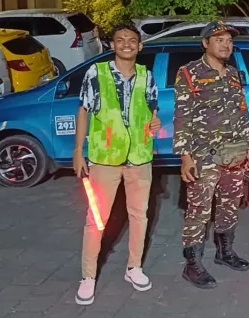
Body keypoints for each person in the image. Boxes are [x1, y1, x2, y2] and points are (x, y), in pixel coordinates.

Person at [72, 24, 161, 305]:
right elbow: (84, 110)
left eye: (132, 40)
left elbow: (151, 109)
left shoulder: (147, 75)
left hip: (139, 158)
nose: (126, 44)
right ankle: (88, 276)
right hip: (105, 158)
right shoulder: (95, 74)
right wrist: (78, 151)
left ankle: (134, 268)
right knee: (96, 219)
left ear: (140, 46)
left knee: (140, 216)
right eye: (120, 40)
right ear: (112, 45)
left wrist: (155, 122)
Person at [173, 21, 249, 289]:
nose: (226, 44)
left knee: (230, 206)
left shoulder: (234, 74)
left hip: (234, 155)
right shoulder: (189, 73)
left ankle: (225, 252)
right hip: (203, 156)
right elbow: (182, 116)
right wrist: (185, 156)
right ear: (205, 43)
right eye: (219, 39)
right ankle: (193, 265)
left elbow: (242, 112)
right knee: (198, 212)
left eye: (229, 40)